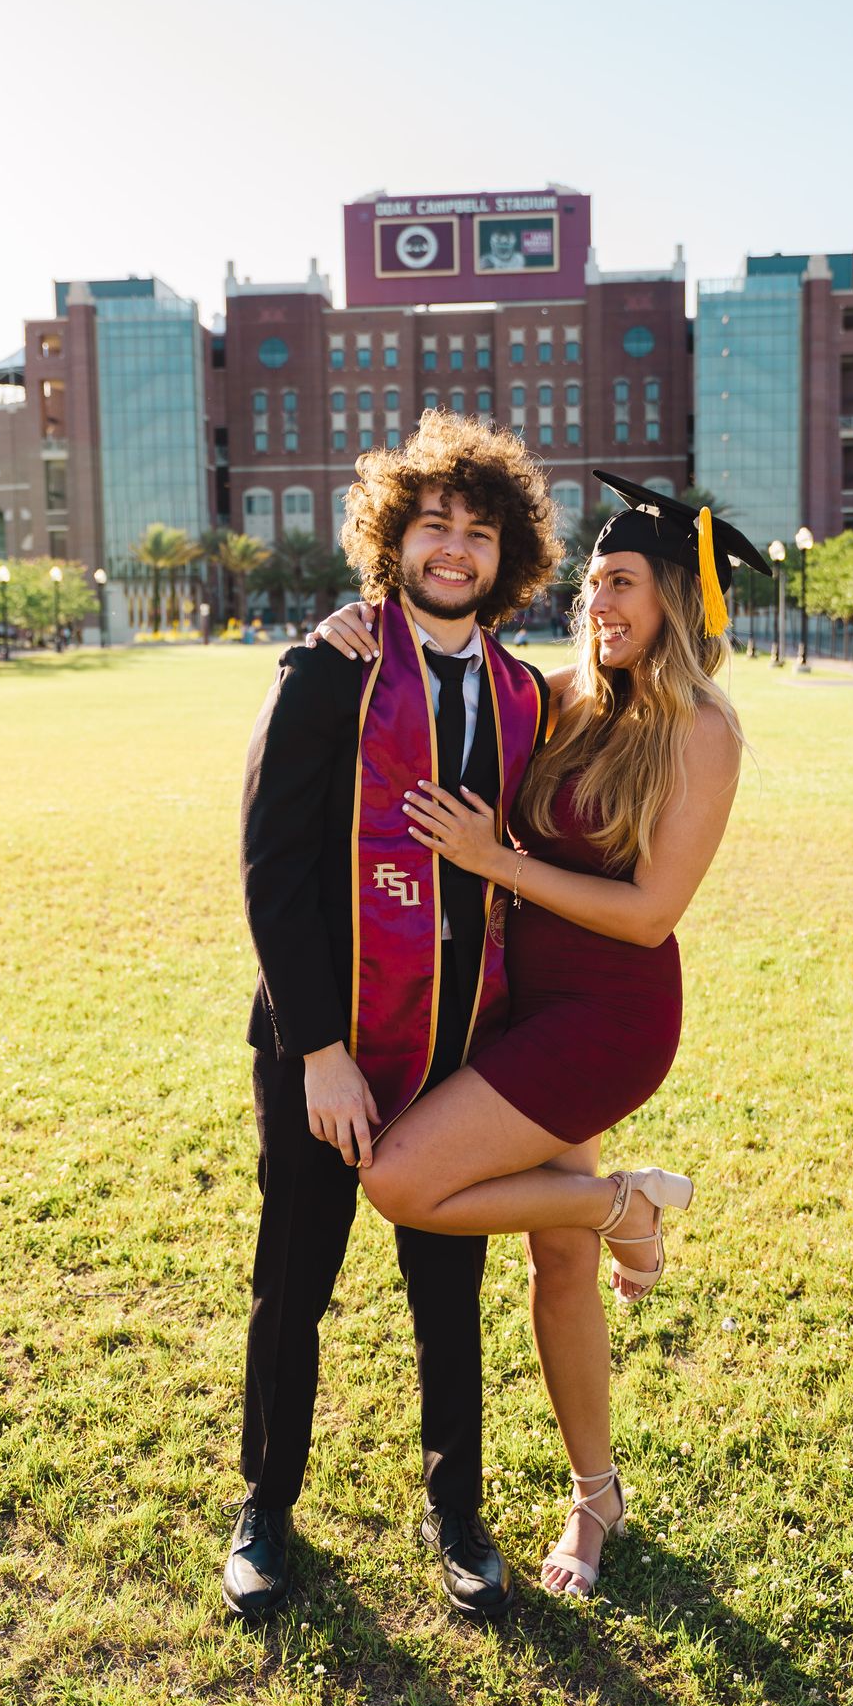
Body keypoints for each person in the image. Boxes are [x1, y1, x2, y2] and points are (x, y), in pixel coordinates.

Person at [310, 469, 768, 1595]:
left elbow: (653, 912)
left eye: (623, 583)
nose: (600, 602)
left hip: (607, 1018)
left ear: (672, 597)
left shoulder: (701, 731)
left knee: (405, 1179)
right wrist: (355, 627)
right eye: (593, 582)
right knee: (558, 1267)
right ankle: (595, 1498)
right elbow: (445, 678)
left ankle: (625, 1200)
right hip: (512, 1002)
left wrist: (498, 863)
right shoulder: (558, 696)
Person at [228, 411, 558, 1623]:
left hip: (456, 1044)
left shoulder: (524, 691)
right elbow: (270, 866)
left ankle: (457, 1510)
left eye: (478, 531)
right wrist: (318, 1049)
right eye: (434, 525)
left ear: (506, 552)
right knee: (293, 1278)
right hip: (327, 1043)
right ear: (394, 536)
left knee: (447, 1286)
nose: (454, 550)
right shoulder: (330, 668)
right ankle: (267, 1506)